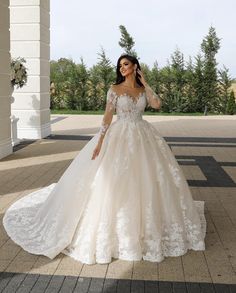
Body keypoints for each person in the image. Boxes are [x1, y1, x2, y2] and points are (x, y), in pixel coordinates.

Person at [3, 54, 206, 265]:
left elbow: (156, 104)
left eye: (126, 64)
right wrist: (100, 141)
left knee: (148, 179)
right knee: (113, 181)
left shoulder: (141, 88)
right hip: (119, 136)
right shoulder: (114, 89)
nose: (122, 68)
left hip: (143, 135)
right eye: (120, 66)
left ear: (135, 66)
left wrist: (145, 82)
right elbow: (108, 115)